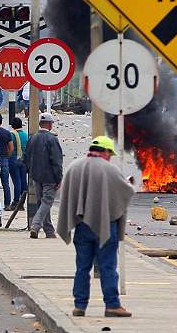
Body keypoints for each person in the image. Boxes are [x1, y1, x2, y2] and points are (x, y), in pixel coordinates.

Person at [56, 136, 134, 318]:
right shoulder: (110, 170)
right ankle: (112, 305)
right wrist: (129, 184)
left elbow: (67, 195)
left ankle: (79, 306)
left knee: (82, 267)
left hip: (82, 226)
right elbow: (126, 192)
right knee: (108, 266)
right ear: (105, 152)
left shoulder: (74, 167)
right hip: (105, 226)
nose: (110, 157)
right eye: (110, 154)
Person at [23, 111, 63, 239]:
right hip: (49, 177)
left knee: (42, 203)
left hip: (36, 176)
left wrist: (30, 172)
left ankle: (49, 231)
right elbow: (56, 161)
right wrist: (59, 178)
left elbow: (26, 158)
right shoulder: (52, 139)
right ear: (50, 125)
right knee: (47, 202)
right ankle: (35, 225)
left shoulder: (32, 138)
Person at [0, 113, 14, 210]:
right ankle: (7, 204)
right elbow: (11, 148)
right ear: (1, 121)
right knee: (6, 183)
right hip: (4, 159)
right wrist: (6, 156)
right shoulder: (7, 133)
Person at [9, 117, 29, 205]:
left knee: (17, 181)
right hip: (24, 160)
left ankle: (16, 201)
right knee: (23, 180)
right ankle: (23, 201)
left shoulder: (12, 134)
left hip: (14, 159)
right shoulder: (26, 135)